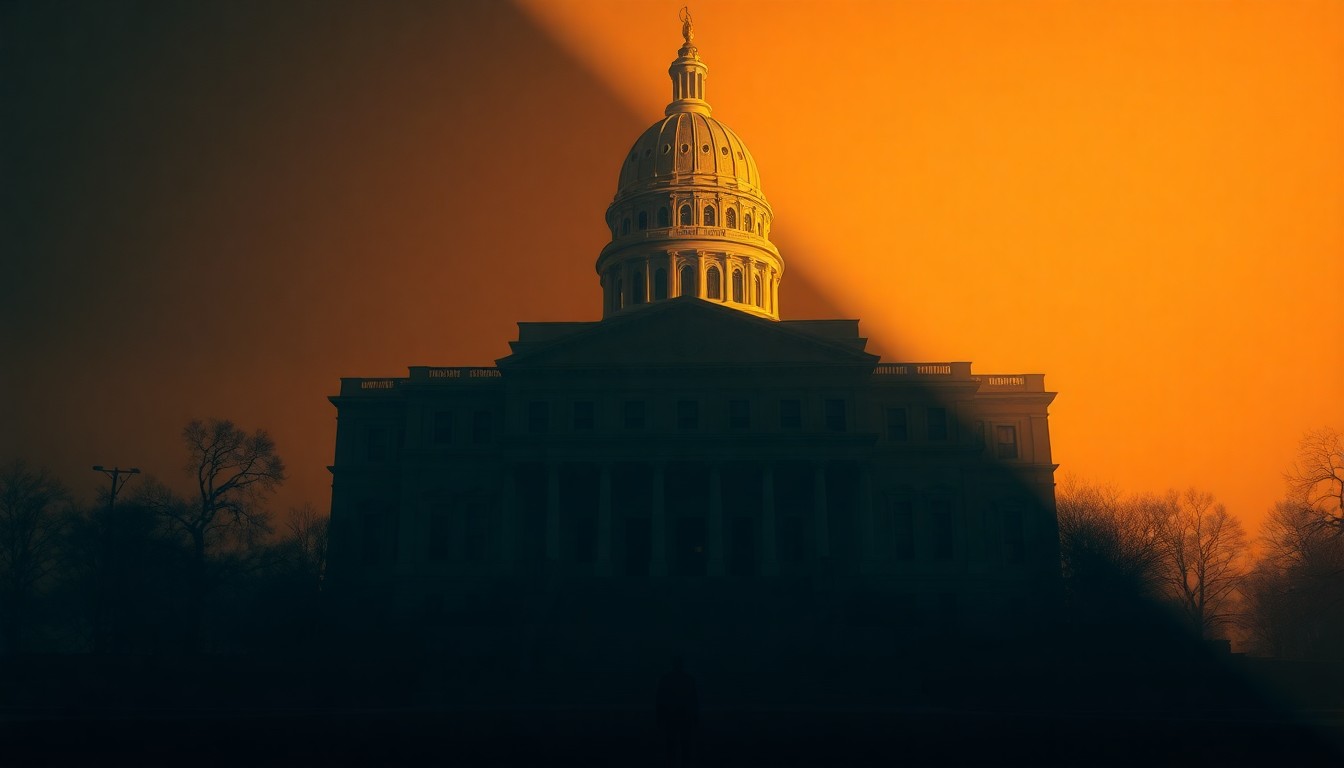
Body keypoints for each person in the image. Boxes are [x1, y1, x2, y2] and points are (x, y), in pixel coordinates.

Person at [656, 655, 699, 767]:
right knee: (685, 745)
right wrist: (695, 717)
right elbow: (693, 699)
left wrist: (659, 718)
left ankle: (671, 764)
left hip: (672, 716)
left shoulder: (666, 679)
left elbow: (660, 698)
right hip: (684, 716)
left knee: (671, 745)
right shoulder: (688, 679)